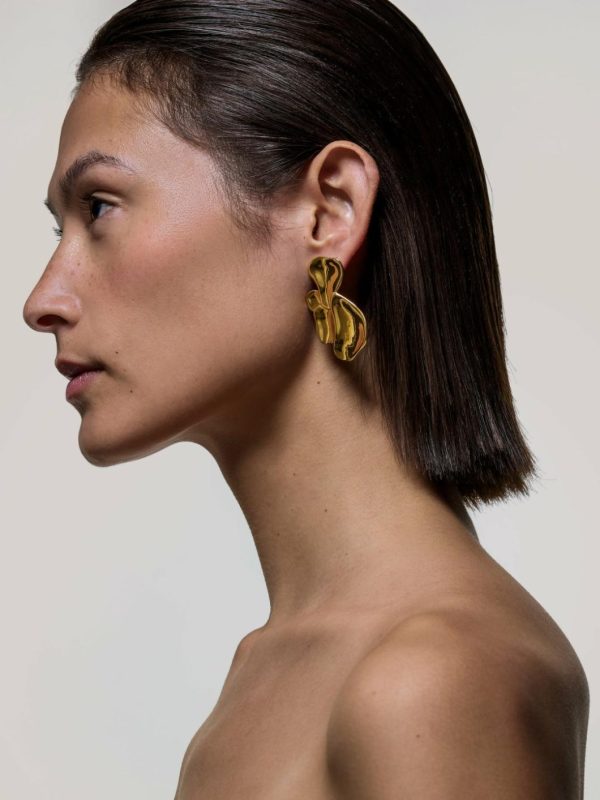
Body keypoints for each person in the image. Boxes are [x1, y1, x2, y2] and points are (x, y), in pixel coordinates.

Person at [22, 0, 589, 797]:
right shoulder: (269, 671)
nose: (42, 301)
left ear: (329, 212)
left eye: (100, 208)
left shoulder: (436, 676)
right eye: (62, 230)